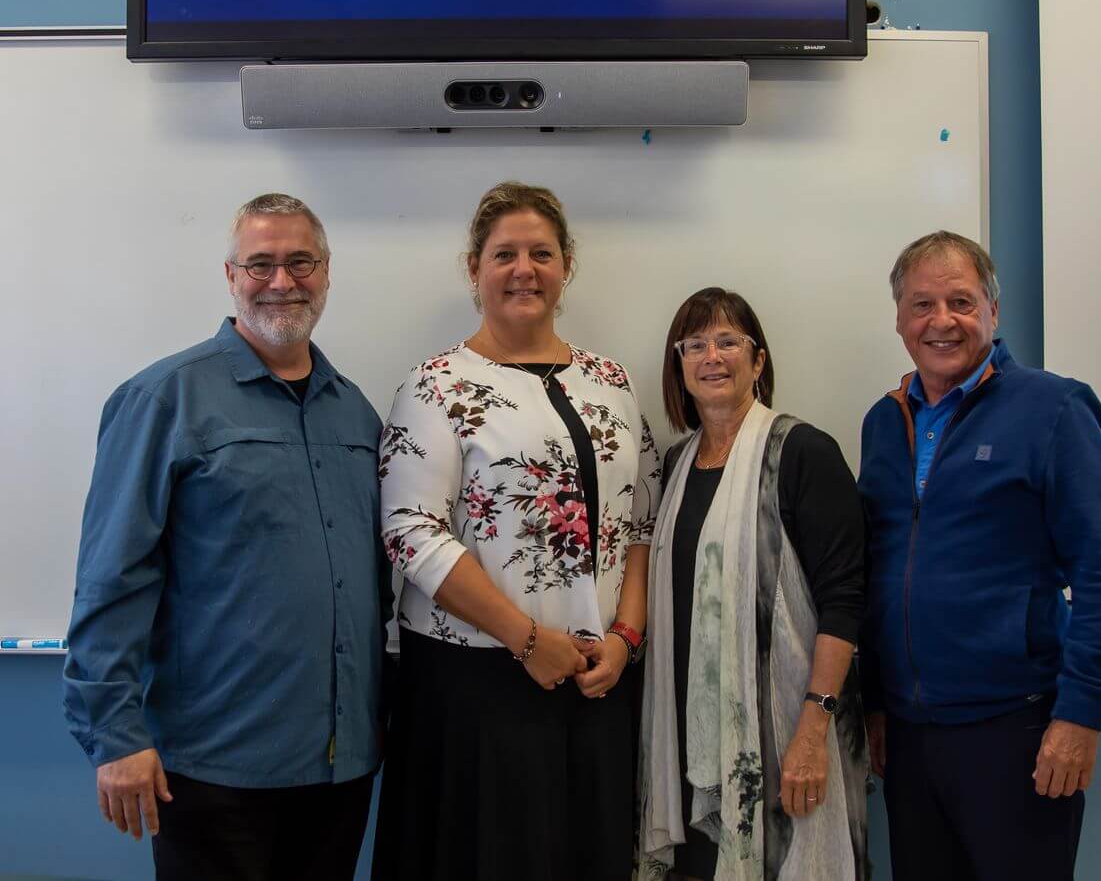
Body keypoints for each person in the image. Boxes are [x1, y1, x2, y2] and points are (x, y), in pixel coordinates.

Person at [62, 193, 388, 881]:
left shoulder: (355, 413)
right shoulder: (164, 399)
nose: (280, 281)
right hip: (215, 765)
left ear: (326, 272)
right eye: (259, 264)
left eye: (299, 262)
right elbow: (111, 577)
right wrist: (114, 735)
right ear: (230, 275)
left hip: (341, 764)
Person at [373, 182, 659, 881]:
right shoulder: (435, 386)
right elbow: (412, 533)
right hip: (475, 687)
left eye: (541, 253)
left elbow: (642, 518)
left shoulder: (611, 381)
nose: (523, 269)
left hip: (598, 684)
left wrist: (625, 639)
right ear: (474, 269)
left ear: (566, 268)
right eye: (504, 254)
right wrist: (527, 640)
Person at [857, 231, 1101, 881]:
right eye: (923, 304)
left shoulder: (1055, 410)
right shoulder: (883, 422)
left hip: (1018, 731)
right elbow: (878, 570)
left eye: (961, 301)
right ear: (900, 320)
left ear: (993, 311)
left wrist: (1080, 715)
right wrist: (875, 700)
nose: (942, 321)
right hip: (909, 734)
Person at [638, 287, 868, 881]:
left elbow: (846, 599)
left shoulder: (803, 453)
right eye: (694, 345)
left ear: (758, 361)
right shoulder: (675, 462)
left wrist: (813, 730)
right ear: (679, 366)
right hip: (687, 736)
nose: (711, 356)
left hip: (782, 730)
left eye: (727, 341)